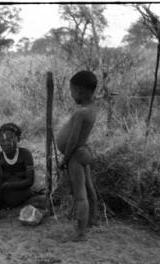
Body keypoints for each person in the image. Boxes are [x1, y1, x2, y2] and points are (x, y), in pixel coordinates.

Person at [56, 70, 99, 242]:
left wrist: (65, 159)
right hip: (83, 151)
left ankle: (81, 233)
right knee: (89, 189)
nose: (71, 94)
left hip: (75, 154)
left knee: (80, 195)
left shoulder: (80, 113)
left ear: (80, 91)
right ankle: (92, 220)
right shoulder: (92, 107)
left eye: (72, 90)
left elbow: (73, 139)